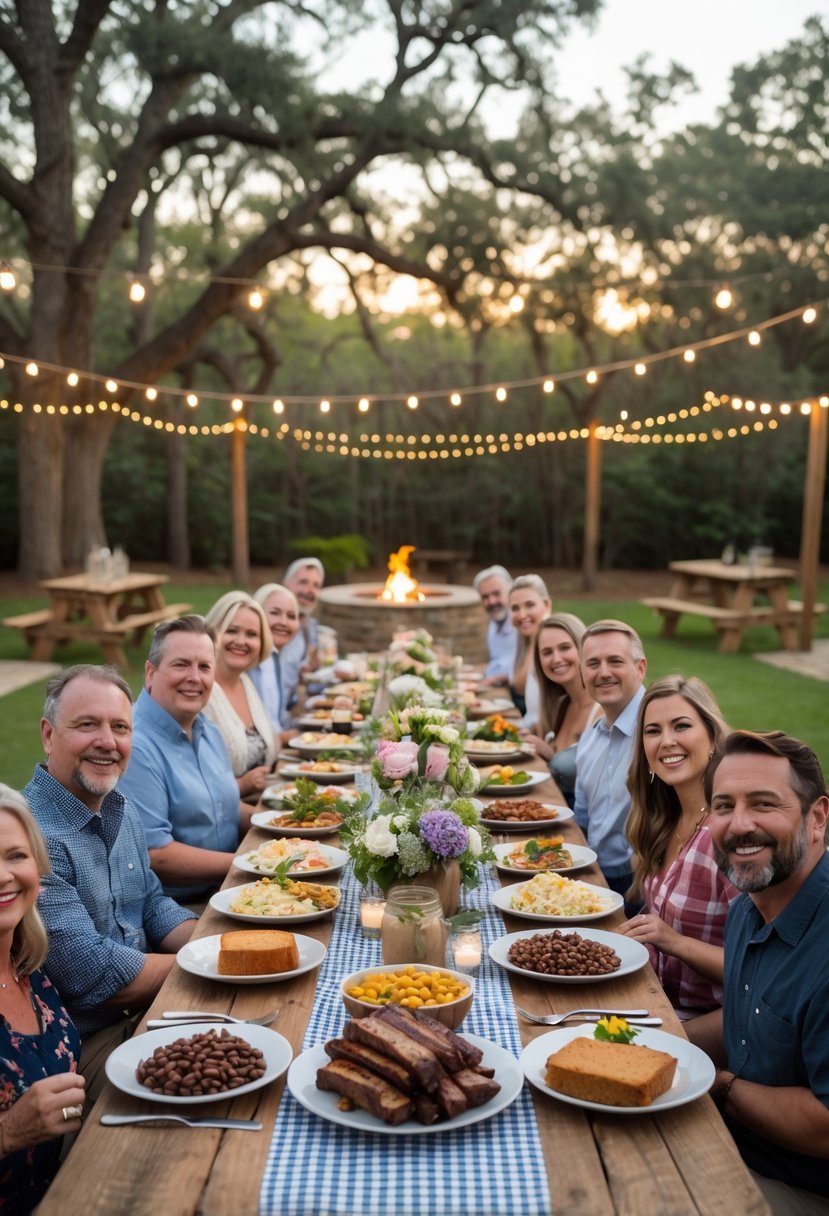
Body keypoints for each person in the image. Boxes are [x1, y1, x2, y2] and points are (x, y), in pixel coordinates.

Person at [23, 666, 196, 1078]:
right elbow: (94, 974)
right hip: (90, 1045)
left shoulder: (119, 804)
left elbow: (151, 902)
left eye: (120, 727)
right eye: (87, 725)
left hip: (147, 1005)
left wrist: (219, 941)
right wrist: (209, 959)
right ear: (48, 735)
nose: (108, 742)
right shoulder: (31, 838)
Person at [703, 731, 829, 1215]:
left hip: (801, 1185)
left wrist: (717, 1083)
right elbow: (750, 1015)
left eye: (763, 804)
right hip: (730, 1137)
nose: (739, 825)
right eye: (723, 805)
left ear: (816, 818)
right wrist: (660, 1041)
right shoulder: (748, 907)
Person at [618, 676, 738, 1020]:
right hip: (652, 996)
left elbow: (761, 971)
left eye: (681, 726)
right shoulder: (664, 819)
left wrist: (672, 941)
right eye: (653, 731)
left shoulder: (728, 836)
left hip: (707, 1021)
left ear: (712, 737)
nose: (666, 741)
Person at [0, 785, 85, 1215]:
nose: (3, 875)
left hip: (72, 1182)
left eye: (15, 856)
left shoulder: (26, 963)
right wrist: (7, 1133)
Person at [119, 615, 245, 902]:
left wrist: (284, 822)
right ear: (151, 672)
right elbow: (157, 854)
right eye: (181, 664)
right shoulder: (136, 746)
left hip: (228, 889)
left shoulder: (208, 729)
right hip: (180, 909)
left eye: (204, 667)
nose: (195, 678)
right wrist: (249, 863)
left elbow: (224, 807)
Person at [573, 618, 647, 913]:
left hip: (642, 887)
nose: (603, 673)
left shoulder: (658, 731)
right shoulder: (591, 737)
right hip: (594, 875)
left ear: (640, 668)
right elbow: (581, 817)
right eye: (593, 664)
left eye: (615, 661)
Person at [521, 613, 602, 808]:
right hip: (550, 807)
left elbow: (599, 786)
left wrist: (550, 755)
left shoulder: (601, 712)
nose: (556, 659)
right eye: (547, 652)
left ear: (584, 649)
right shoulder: (561, 704)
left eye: (565, 648)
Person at [204, 591, 277, 800]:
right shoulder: (202, 693)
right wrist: (243, 785)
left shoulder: (245, 682)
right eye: (232, 630)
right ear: (212, 633)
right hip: (229, 820)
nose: (241, 641)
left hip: (260, 805)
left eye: (252, 634)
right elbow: (198, 787)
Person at [250, 583, 301, 742]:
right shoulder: (246, 663)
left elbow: (277, 719)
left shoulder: (274, 657)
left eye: (291, 616)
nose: (284, 622)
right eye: (275, 613)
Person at [279, 557, 327, 706]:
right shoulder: (270, 625)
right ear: (286, 584)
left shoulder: (309, 626)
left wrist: (306, 669)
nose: (310, 591)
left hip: (289, 709)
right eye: (303, 582)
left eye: (316, 585)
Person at [508, 574, 551, 727]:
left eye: (529, 605)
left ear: (546, 605)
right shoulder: (522, 640)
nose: (522, 615)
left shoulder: (552, 649)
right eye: (515, 608)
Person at [472, 565, 516, 685]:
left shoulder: (523, 623)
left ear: (510, 591)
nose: (491, 602)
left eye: (496, 594)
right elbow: (499, 662)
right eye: (485, 597)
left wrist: (494, 679)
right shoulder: (494, 622)